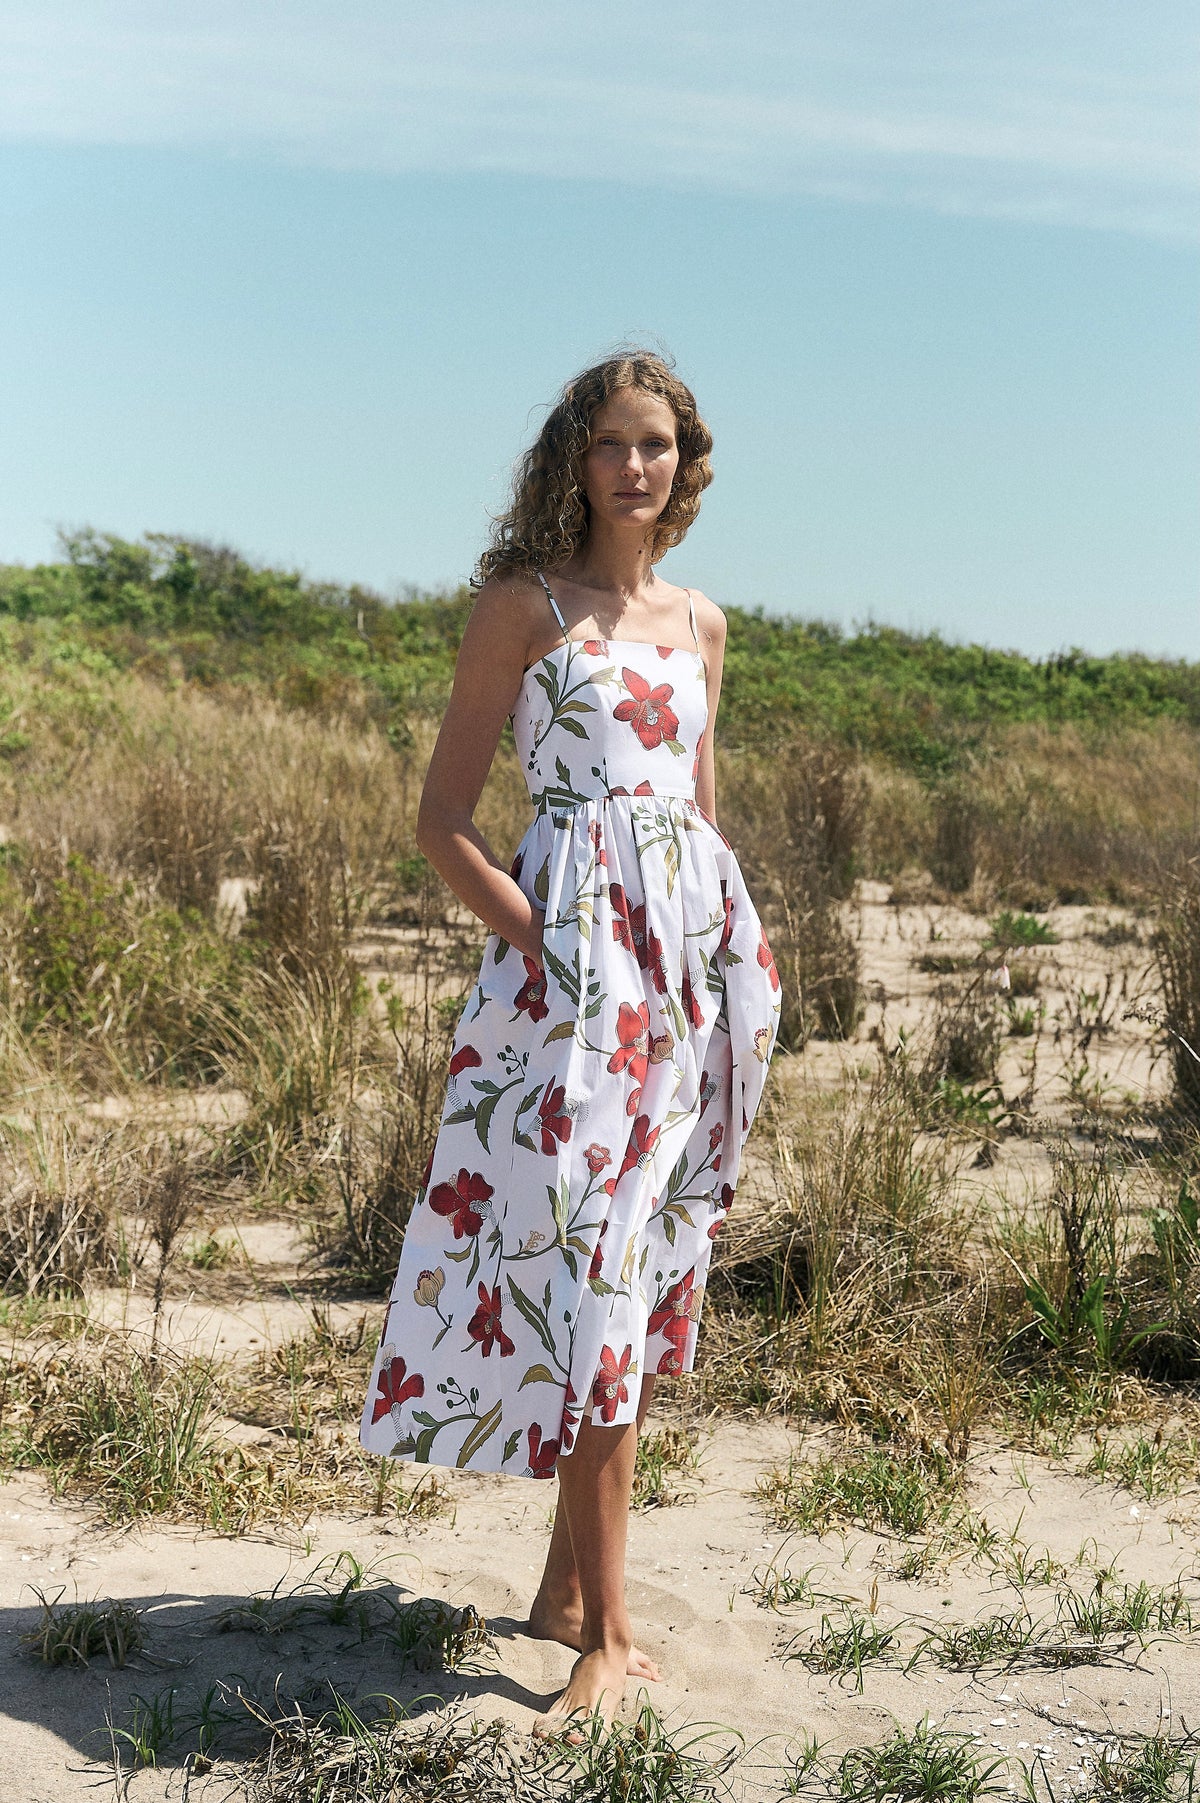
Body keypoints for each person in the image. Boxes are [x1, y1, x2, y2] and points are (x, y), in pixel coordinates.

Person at [359, 348, 781, 1736]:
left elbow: (698, 828)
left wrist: (722, 975)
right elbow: (443, 824)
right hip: (568, 1002)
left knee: (642, 1269)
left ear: (686, 462)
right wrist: (541, 941)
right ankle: (609, 1633)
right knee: (593, 1274)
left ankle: (559, 1591)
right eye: (610, 442)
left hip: (678, 1001)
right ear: (573, 459)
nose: (634, 466)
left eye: (656, 443)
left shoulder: (703, 625)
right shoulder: (522, 609)